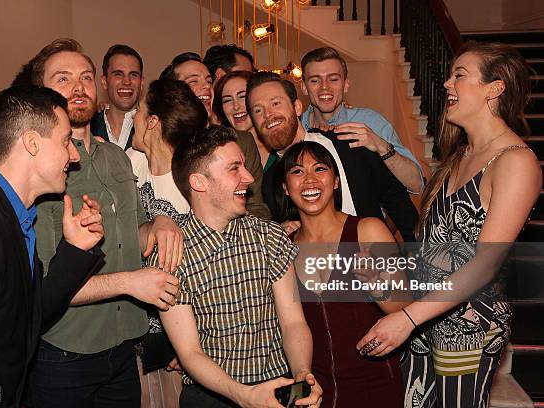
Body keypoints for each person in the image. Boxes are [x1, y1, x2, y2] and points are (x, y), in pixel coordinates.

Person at [357, 41, 541, 407]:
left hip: (469, 326)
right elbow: (433, 246)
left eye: (460, 75)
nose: (446, 84)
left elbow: (486, 262)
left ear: (495, 88)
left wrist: (408, 318)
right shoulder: (459, 157)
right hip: (427, 318)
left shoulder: (516, 161)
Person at [21, 38, 182, 408]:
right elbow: (46, 288)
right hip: (65, 354)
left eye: (86, 78)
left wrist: (157, 223)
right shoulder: (42, 174)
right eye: (63, 79)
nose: (79, 87)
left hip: (124, 348)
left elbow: (134, 235)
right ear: (40, 93)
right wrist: (131, 282)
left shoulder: (117, 158)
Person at [0, 85, 105, 407]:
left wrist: (75, 251)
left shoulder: (13, 216)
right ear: (31, 143)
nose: (75, 155)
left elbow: (26, 319)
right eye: (66, 140)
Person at [156, 125, 322, 407]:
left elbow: (293, 322)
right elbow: (189, 353)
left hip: (279, 387)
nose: (248, 177)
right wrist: (244, 396)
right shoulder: (172, 254)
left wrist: (302, 373)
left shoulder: (269, 236)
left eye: (245, 166)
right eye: (235, 169)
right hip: (211, 398)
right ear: (199, 183)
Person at [275, 141, 409, 407]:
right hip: (315, 391)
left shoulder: (368, 230)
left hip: (375, 385)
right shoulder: (283, 247)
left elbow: (405, 308)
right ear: (286, 188)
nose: (310, 180)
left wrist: (377, 285)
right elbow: (290, 325)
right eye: (298, 172)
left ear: (335, 181)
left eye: (320, 169)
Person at [246, 71, 418, 241]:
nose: (268, 115)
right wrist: (281, 231)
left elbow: (397, 201)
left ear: (297, 107)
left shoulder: (348, 143)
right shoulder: (269, 182)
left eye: (275, 103)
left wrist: (418, 257)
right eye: (258, 110)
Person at [126, 78, 208, 406]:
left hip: (174, 344)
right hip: (130, 333)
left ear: (153, 123)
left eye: (139, 109)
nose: (133, 115)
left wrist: (184, 345)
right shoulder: (128, 162)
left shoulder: (192, 183)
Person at [161, 52, 270, 219]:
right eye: (194, 82)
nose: (206, 87)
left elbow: (257, 207)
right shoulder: (162, 146)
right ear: (173, 93)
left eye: (208, 81)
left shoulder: (240, 141)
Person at [300, 47, 423, 193]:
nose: (324, 87)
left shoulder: (371, 122)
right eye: (315, 80)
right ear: (304, 87)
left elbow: (416, 185)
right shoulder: (296, 129)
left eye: (333, 79)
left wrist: (381, 146)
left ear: (346, 85)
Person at [214, 70, 275, 173]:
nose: (236, 107)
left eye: (242, 96)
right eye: (227, 100)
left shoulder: (281, 143)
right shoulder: (219, 152)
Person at [90, 44, 144, 150]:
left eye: (133, 75)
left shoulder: (153, 128)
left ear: (141, 83)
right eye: (118, 74)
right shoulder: (88, 126)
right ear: (104, 82)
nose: (127, 82)